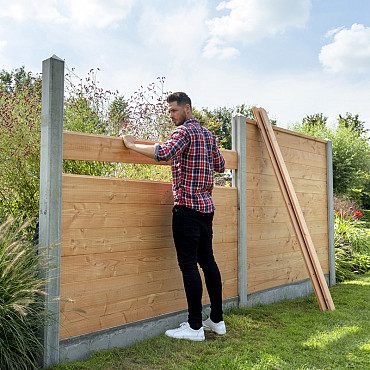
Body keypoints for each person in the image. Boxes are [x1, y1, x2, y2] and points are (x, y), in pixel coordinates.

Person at [122, 92, 226, 341]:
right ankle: (217, 321)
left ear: (187, 108)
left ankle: (194, 327)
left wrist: (131, 144)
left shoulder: (184, 133)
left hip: (186, 210)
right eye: (169, 111)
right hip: (206, 208)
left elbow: (164, 153)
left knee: (189, 265)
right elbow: (220, 165)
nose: (170, 116)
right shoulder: (208, 135)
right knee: (208, 262)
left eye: (173, 111)